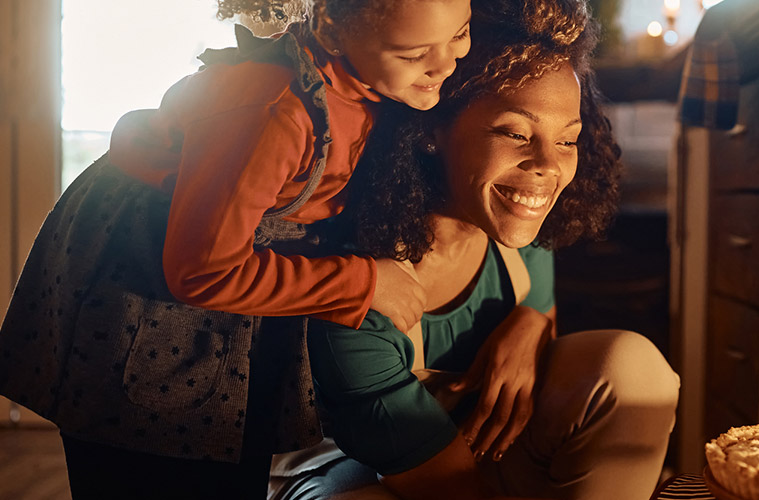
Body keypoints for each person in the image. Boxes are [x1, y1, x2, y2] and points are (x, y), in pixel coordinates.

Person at [0, 0, 471, 497]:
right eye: (415, 51)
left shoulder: (383, 82)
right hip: (147, 302)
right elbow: (203, 271)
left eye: (459, 34)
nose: (445, 64)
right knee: (150, 469)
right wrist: (364, 282)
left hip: (239, 306)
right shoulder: (274, 111)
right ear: (332, 30)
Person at [272, 1, 678, 499]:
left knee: (632, 368)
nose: (547, 166)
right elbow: (448, 485)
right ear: (431, 130)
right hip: (375, 476)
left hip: (482, 455)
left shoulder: (513, 230)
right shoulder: (359, 294)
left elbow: (543, 307)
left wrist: (531, 324)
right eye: (514, 133)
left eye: (567, 141)